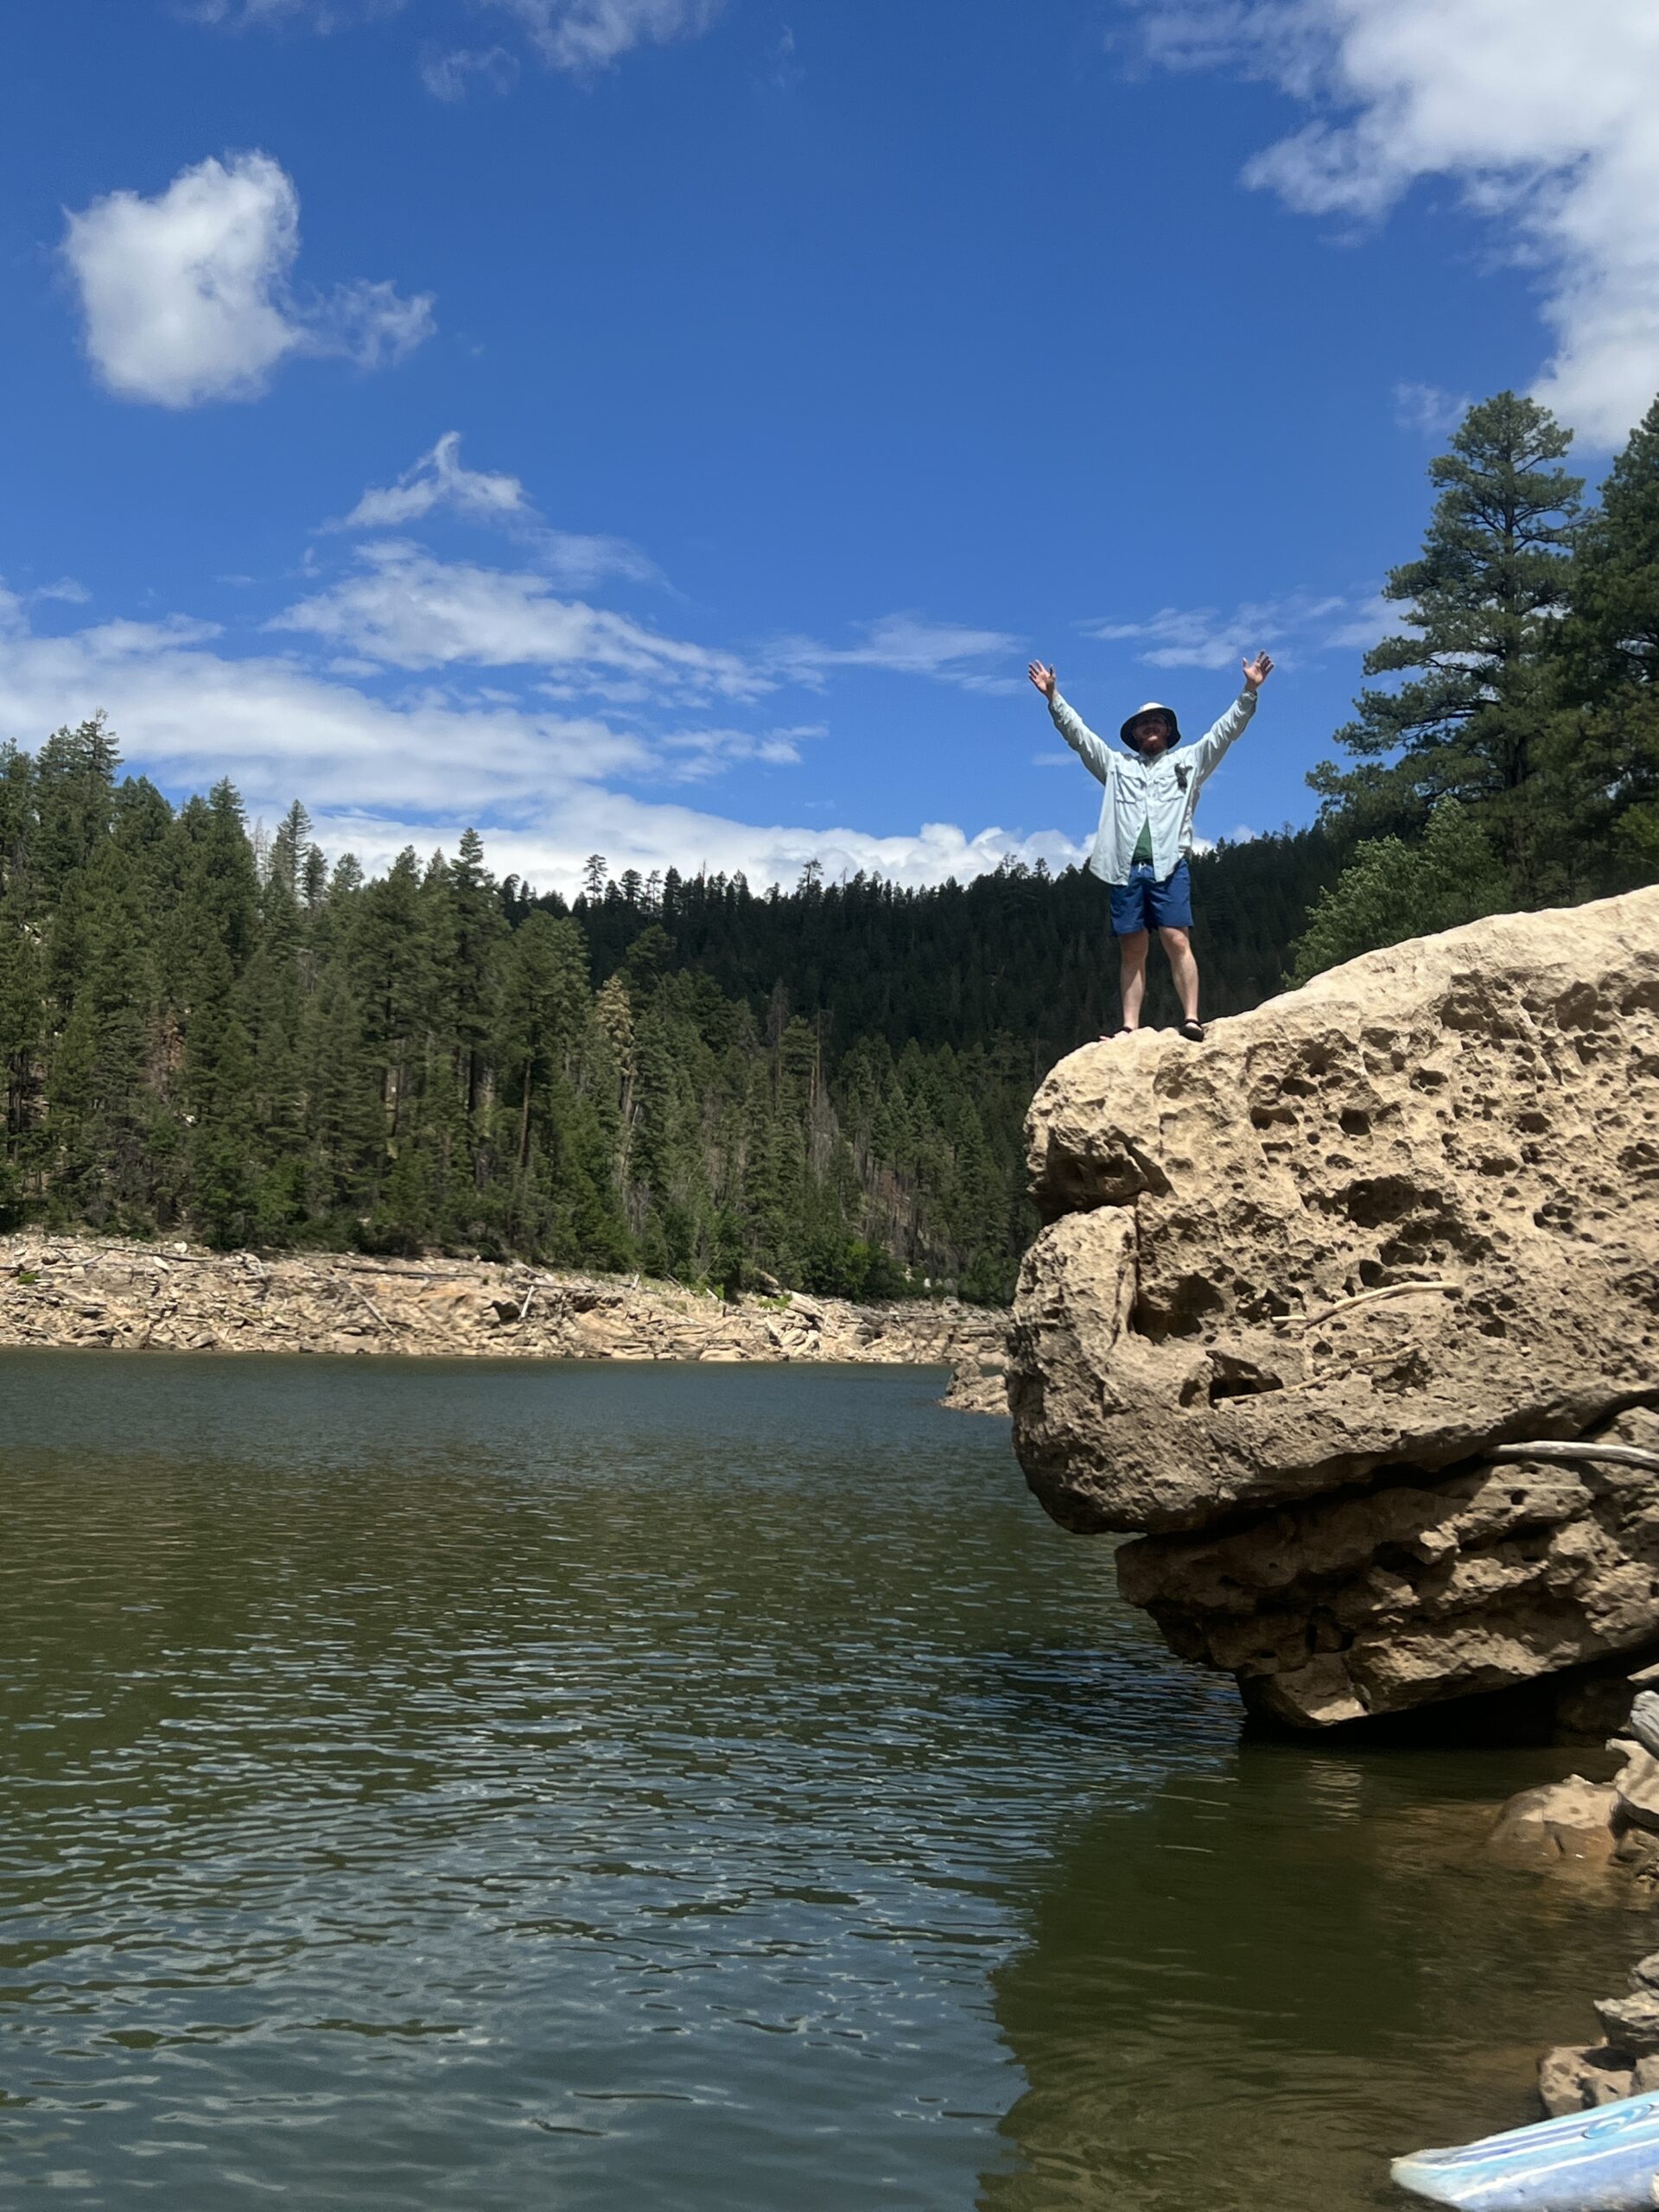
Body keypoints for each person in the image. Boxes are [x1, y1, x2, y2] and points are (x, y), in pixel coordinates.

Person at [1027, 651, 1274, 1041]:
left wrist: (1249, 691)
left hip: (1170, 863)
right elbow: (1081, 739)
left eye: (1156, 722)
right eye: (1143, 725)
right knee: (1132, 948)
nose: (1150, 728)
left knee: (1177, 938)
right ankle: (1129, 1027)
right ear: (1136, 735)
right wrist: (1054, 699)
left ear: (1168, 730)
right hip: (1124, 867)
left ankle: (1192, 1017)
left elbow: (1225, 732)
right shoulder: (1117, 767)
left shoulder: (1190, 761)